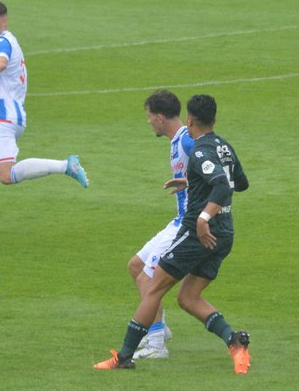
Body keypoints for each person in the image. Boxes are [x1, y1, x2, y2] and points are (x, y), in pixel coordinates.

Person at [95, 94, 251, 374]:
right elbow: (239, 182)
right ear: (214, 118)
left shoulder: (197, 148)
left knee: (153, 286)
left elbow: (222, 186)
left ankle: (126, 356)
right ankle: (234, 341)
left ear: (190, 119)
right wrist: (193, 181)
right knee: (188, 298)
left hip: (198, 232)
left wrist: (203, 218)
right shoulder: (223, 146)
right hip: (225, 232)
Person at [0, 0, 88, 229]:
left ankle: (66, 166)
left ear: (4, 21)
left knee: (6, 175)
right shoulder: (10, 40)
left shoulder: (1, 42)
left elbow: (1, 62)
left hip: (2, 119)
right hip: (10, 118)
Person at [128, 90, 194, 360]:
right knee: (136, 266)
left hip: (188, 223)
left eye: (149, 117)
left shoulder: (187, 141)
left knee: (148, 278)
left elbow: (214, 168)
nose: (148, 122)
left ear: (159, 117)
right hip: (178, 219)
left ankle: (156, 344)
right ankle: (160, 327)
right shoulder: (177, 140)